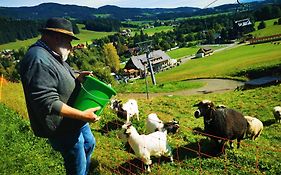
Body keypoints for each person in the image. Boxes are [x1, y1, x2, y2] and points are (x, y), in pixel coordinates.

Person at [20, 17, 100, 175]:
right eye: (69, 41)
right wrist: (82, 114)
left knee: (89, 143)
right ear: (57, 37)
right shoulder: (38, 59)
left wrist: (76, 76)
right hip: (61, 125)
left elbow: (58, 74)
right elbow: (47, 101)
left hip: (74, 118)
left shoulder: (52, 53)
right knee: (76, 159)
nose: (71, 47)